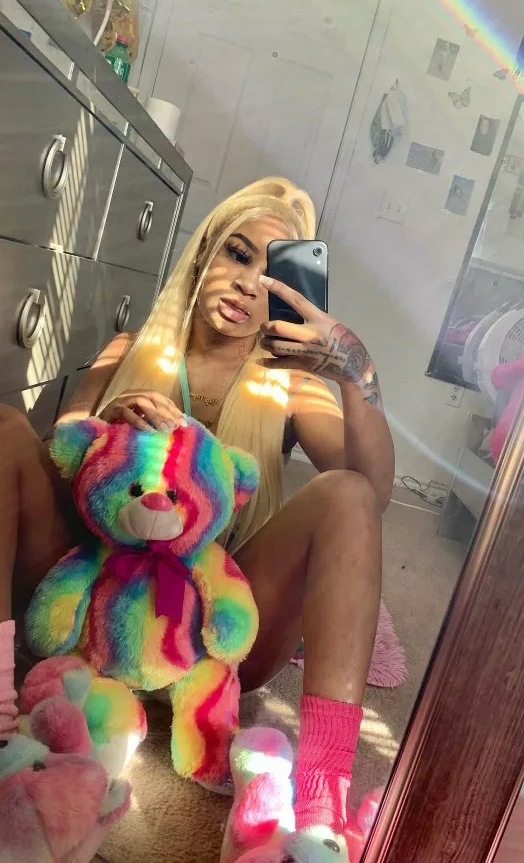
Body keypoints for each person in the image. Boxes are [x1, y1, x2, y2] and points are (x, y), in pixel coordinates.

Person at [0, 177, 394, 859]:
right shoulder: (130, 348)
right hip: (90, 606)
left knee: (348, 497)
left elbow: (375, 489)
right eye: (237, 253)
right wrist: (104, 424)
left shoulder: (292, 385)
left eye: (272, 276)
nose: (247, 284)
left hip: (211, 631)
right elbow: (59, 446)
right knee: (5, 430)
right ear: (204, 252)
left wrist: (354, 372)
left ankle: (320, 801)